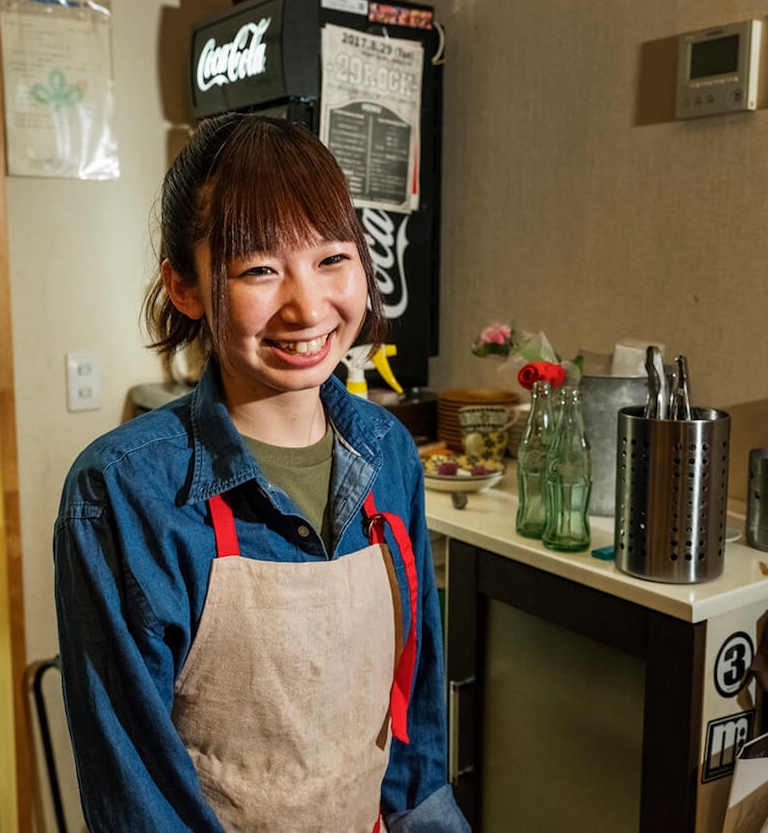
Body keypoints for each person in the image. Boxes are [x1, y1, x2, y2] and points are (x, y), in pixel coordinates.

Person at [55, 113, 468, 832]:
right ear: (185, 287)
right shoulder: (123, 494)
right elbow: (137, 795)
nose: (308, 306)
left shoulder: (389, 454)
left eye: (333, 259)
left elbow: (412, 713)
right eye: (259, 269)